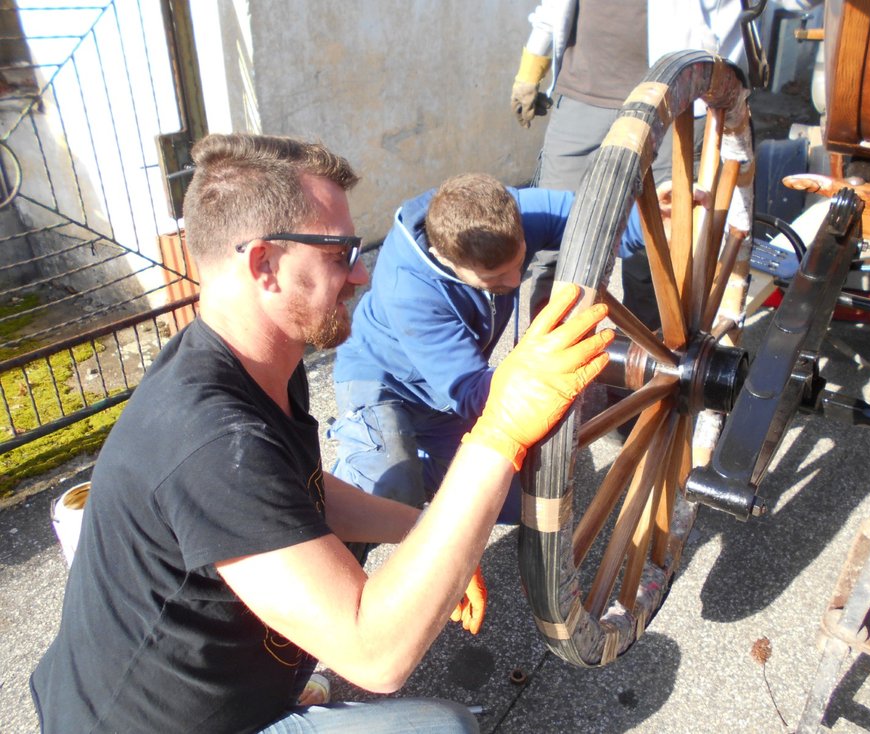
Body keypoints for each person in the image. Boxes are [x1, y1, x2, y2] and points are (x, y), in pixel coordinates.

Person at [29, 134, 614, 734]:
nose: (362, 273)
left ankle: (283, 691)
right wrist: (502, 428)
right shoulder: (207, 440)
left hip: (184, 695)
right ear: (263, 265)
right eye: (339, 254)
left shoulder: (250, 365)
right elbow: (375, 656)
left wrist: (419, 532)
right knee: (446, 730)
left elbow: (296, 490)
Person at [330, 172, 645, 525]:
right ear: (444, 257)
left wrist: (657, 223)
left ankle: (422, 468)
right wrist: (546, 381)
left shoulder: (509, 215)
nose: (513, 282)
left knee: (516, 502)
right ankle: (361, 476)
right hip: (385, 383)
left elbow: (599, 223)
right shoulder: (411, 292)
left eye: (519, 264)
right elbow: (471, 390)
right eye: (494, 280)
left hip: (444, 396)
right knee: (387, 492)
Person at [510, 0, 821, 322]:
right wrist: (530, 69)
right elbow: (552, 8)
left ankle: (647, 359)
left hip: (678, 98)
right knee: (554, 242)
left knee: (656, 250)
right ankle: (550, 358)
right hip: (581, 96)